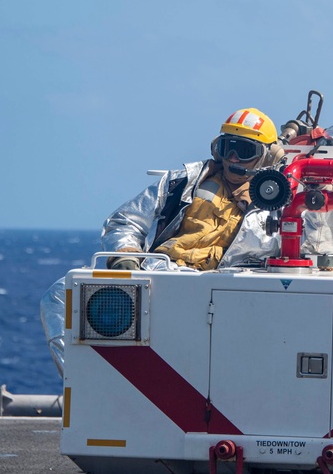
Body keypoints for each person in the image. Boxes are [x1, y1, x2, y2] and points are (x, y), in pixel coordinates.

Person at [40, 107, 286, 376]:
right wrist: (126, 254)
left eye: (245, 150)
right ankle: (81, 381)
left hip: (226, 290)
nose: (233, 158)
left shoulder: (282, 202)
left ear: (268, 156)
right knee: (59, 296)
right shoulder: (183, 182)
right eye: (228, 147)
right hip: (160, 273)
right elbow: (125, 220)